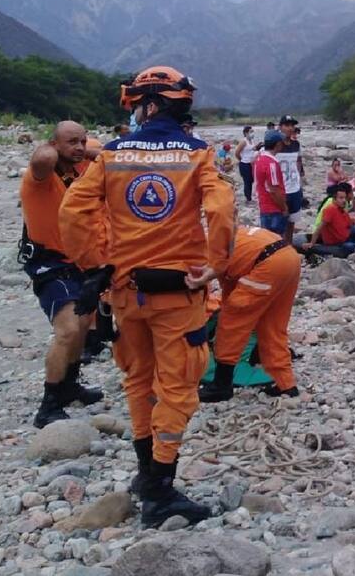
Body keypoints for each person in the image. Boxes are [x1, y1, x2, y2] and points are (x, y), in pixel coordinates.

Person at [59, 65, 235, 527]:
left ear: (148, 104)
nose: (136, 112)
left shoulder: (111, 154)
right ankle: (160, 489)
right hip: (179, 294)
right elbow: (220, 209)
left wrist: (94, 264)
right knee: (177, 388)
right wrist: (213, 265)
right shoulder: (198, 154)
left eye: (137, 105)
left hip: (124, 293)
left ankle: (144, 473)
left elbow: (74, 209)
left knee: (138, 381)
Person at [19, 121, 104, 427]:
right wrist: (51, 147)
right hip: (49, 262)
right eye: (71, 142)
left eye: (82, 141)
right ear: (55, 144)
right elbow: (42, 159)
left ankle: (70, 385)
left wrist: (84, 150)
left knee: (82, 326)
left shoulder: (80, 170)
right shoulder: (39, 178)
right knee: (67, 329)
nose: (79, 147)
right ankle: (49, 404)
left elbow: (108, 155)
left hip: (80, 261)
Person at [199, 225, 301, 402]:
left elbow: (201, 292)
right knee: (273, 326)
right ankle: (286, 385)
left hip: (266, 264)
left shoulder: (200, 250)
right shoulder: (227, 234)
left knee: (231, 323)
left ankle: (222, 385)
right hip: (289, 258)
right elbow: (231, 279)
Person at [312, 186, 355, 254]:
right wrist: (312, 243)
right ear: (334, 199)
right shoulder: (330, 209)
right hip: (337, 243)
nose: (344, 200)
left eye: (344, 198)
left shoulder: (341, 209)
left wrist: (354, 221)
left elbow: (348, 224)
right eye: (341, 198)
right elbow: (319, 228)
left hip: (346, 236)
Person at [276, 115, 305, 244]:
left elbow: (298, 161)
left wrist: (299, 179)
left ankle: (289, 245)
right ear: (280, 127)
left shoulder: (296, 144)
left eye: (292, 125)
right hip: (281, 189)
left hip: (294, 188)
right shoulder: (275, 145)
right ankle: (278, 248)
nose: (290, 128)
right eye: (287, 125)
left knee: (292, 221)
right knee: (280, 220)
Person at [254, 131, 288, 236]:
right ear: (277, 144)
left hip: (264, 207)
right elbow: (273, 190)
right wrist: (284, 208)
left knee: (267, 241)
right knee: (276, 241)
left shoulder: (259, 159)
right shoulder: (272, 164)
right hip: (273, 210)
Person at [234, 125, 257, 204]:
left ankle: (249, 196)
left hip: (251, 164)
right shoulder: (243, 141)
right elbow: (237, 153)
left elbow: (252, 149)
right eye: (250, 132)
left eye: (252, 131)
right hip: (244, 164)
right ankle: (248, 199)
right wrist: (242, 160)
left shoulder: (252, 141)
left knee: (251, 180)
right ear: (246, 133)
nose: (252, 133)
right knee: (247, 181)